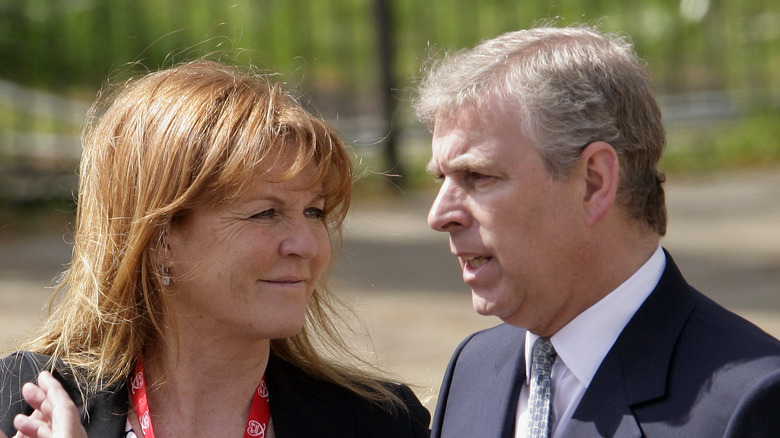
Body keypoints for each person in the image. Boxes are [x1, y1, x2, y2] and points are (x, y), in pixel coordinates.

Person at [1, 60, 430, 438]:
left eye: (315, 212)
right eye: (265, 213)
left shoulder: (377, 422)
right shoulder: (24, 401)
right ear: (159, 238)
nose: (306, 245)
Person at [413, 24, 780, 438]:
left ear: (594, 182)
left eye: (477, 176)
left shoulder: (751, 403)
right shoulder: (473, 369)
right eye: (440, 178)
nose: (439, 215)